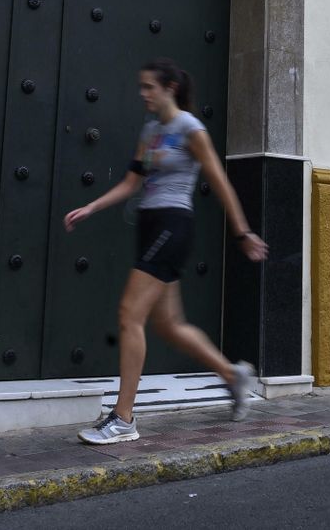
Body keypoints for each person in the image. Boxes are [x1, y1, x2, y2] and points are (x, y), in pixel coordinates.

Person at [63, 58, 269, 444]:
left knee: (129, 314)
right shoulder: (151, 130)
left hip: (174, 224)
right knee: (168, 324)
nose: (143, 94)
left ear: (170, 88)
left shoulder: (191, 129)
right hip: (149, 225)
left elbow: (219, 182)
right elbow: (130, 183)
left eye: (149, 88)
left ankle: (124, 419)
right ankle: (232, 375)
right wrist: (92, 207)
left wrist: (242, 232)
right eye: (141, 87)